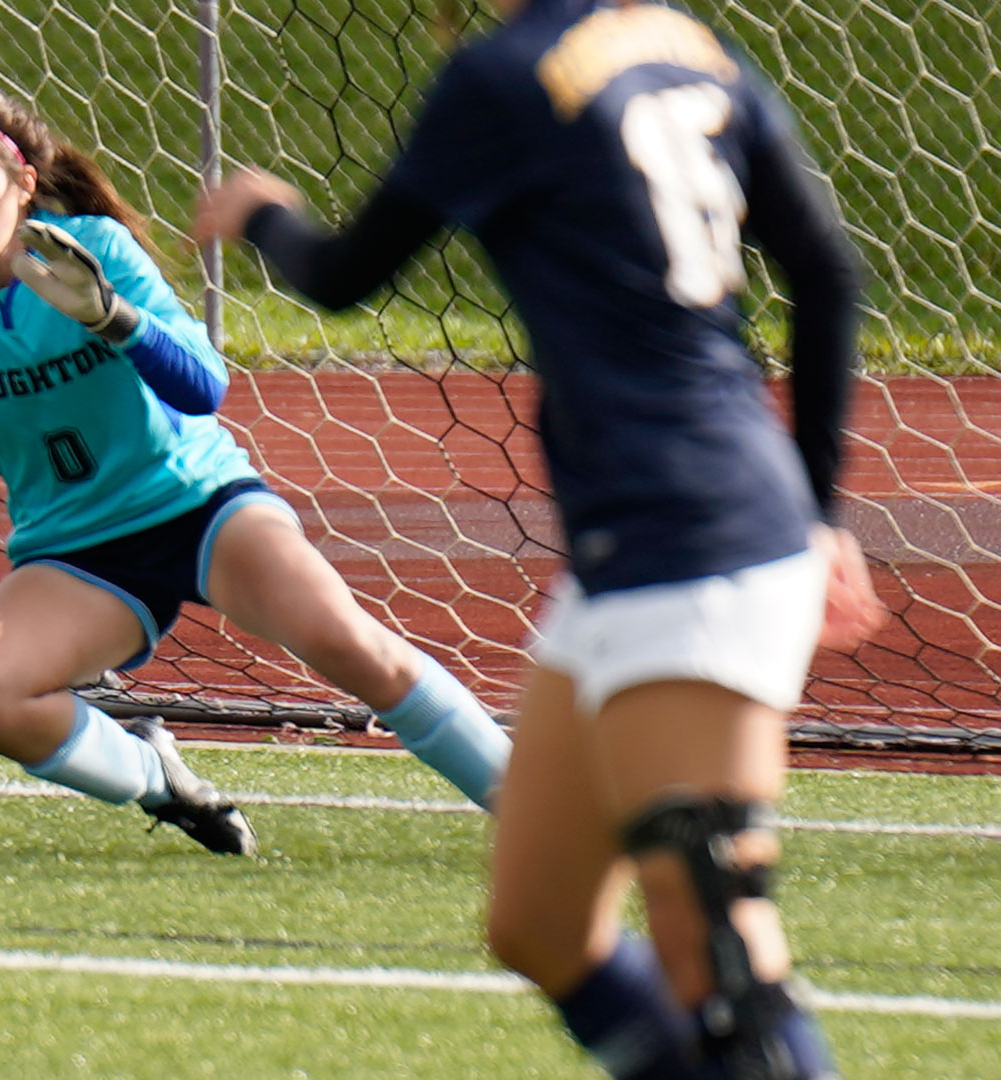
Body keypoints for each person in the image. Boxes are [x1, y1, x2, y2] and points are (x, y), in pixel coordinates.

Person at [195, 0, 885, 1076]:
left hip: (695, 543)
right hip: (649, 547)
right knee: (538, 925)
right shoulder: (687, 43)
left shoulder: (503, 76)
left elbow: (341, 277)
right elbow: (828, 272)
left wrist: (261, 210)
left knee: (712, 933)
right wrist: (819, 509)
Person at [0, 88, 511, 857]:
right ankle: (157, 780)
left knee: (353, 649)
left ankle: (528, 803)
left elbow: (206, 386)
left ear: (23, 183)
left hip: (202, 508)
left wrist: (111, 318)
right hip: (76, 551)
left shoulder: (94, 251)